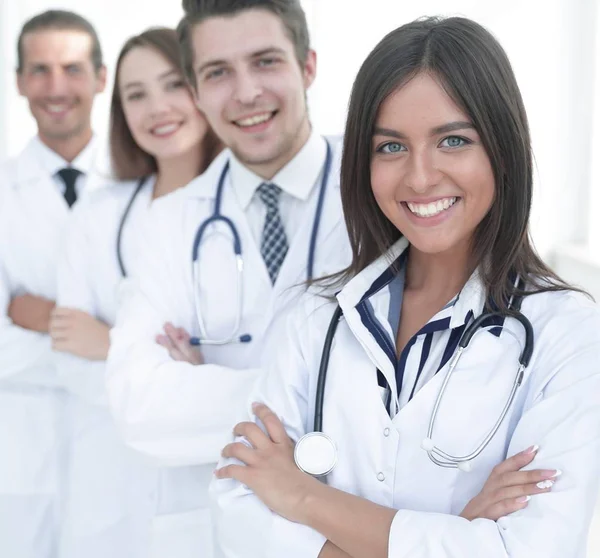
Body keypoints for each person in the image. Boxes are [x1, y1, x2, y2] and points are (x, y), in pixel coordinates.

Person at [211, 16, 600, 558]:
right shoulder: (311, 317)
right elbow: (238, 508)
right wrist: (458, 531)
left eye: (453, 141)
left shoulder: (567, 332)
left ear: (503, 150)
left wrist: (302, 498)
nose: (419, 178)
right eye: (391, 148)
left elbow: (531, 549)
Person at [106, 0, 351, 555]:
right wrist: (320, 399)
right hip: (215, 535)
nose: (245, 93)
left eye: (265, 61)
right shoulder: (171, 221)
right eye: (218, 72)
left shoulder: (376, 195)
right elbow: (137, 406)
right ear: (195, 91)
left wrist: (205, 386)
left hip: (348, 529)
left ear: (307, 66)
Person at [50, 27, 220, 558]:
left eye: (174, 85)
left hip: (211, 482)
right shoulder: (98, 215)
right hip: (109, 481)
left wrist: (114, 344)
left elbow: (270, 365)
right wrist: (176, 372)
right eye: (136, 94)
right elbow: (67, 352)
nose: (157, 108)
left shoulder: (244, 207)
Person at [0, 10, 106, 558]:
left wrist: (43, 320)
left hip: (120, 454)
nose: (56, 87)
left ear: (101, 78)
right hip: (20, 460)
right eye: (39, 70)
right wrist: (100, 342)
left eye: (71, 68)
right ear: (18, 81)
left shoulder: (147, 187)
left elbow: (170, 334)